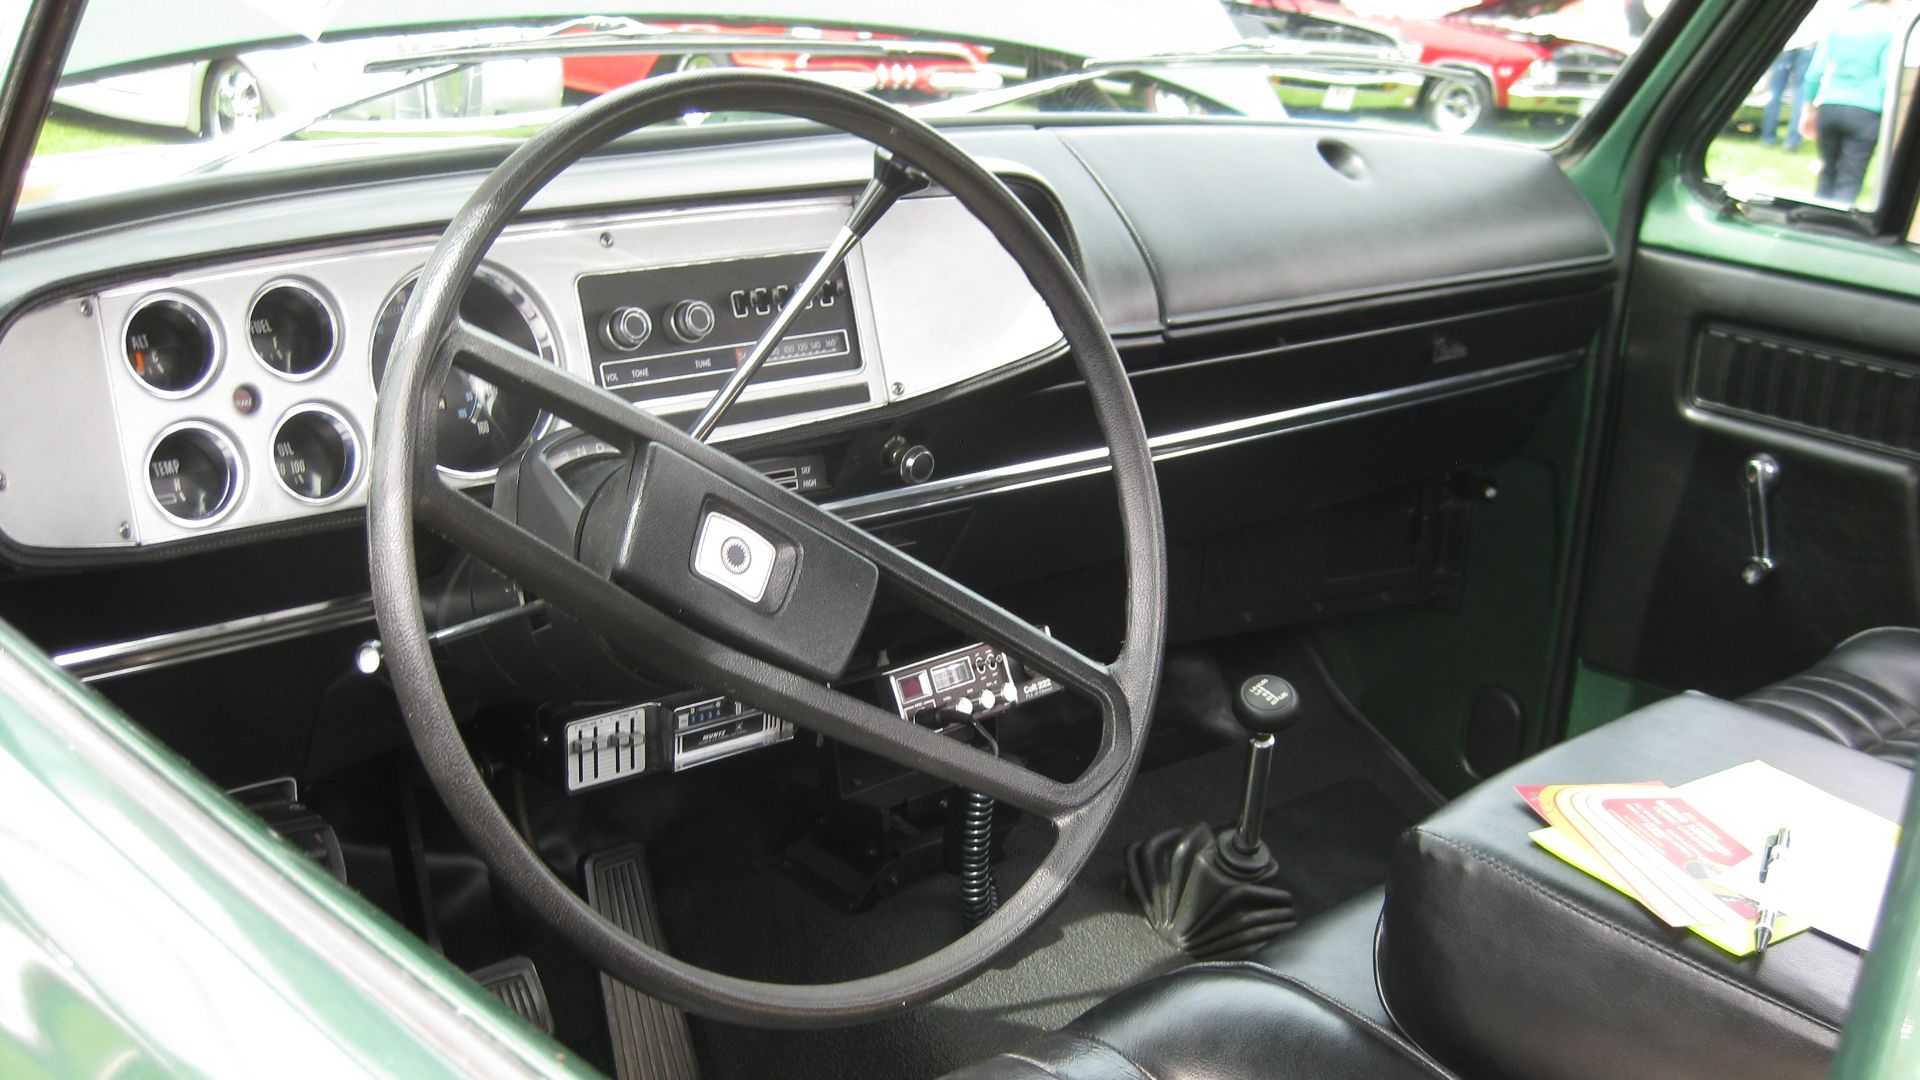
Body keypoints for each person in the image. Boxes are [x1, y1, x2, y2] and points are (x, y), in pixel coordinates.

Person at [1799, 0, 1898, 205]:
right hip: (1866, 110)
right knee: (1849, 180)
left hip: (1830, 104)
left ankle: (1815, 222)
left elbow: (1815, 72)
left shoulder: (1840, 22)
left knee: (1827, 173)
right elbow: (1885, 81)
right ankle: (1835, 227)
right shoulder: (1890, 30)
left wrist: (1809, 106)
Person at [1762, 0, 1850, 150]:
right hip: (1810, 42)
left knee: (1774, 92)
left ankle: (1767, 138)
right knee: (1801, 94)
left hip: (1787, 43)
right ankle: (1792, 140)